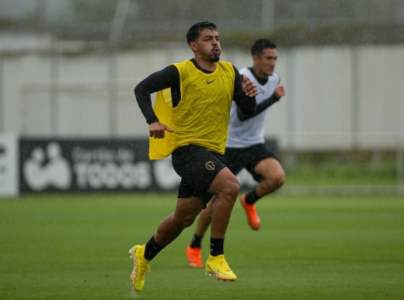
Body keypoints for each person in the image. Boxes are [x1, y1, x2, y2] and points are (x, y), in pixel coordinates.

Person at [130, 21, 258, 292]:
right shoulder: (180, 72)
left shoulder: (229, 71)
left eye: (217, 38)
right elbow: (141, 88)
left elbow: (246, 111)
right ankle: (216, 256)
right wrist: (151, 120)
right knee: (231, 187)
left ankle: (144, 254)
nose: (216, 43)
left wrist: (250, 96)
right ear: (194, 45)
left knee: (183, 219)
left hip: (212, 153)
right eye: (208, 39)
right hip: (187, 151)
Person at [185, 38, 286, 268]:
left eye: (275, 58)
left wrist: (272, 95)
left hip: (254, 144)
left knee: (277, 177)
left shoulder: (274, 79)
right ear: (255, 59)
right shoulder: (241, 77)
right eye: (268, 58)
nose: (272, 63)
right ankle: (194, 245)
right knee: (212, 204)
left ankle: (249, 200)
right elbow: (243, 115)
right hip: (229, 145)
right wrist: (273, 99)